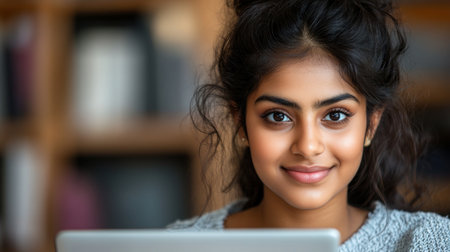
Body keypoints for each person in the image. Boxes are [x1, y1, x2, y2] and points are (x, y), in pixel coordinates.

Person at [168, 0, 450, 250]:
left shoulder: (427, 243)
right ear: (240, 123)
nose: (308, 146)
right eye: (278, 116)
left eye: (336, 115)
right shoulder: (179, 246)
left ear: (371, 124)